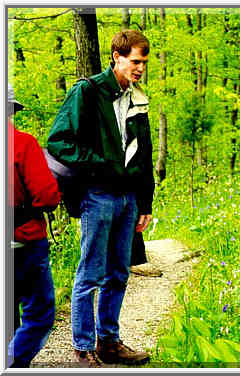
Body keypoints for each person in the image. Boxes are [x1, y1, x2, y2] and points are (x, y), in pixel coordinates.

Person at [47, 29, 155, 367]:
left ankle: (109, 343)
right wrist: (99, 166)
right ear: (117, 57)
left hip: (128, 200)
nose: (140, 68)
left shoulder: (138, 99)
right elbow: (58, 141)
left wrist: (145, 203)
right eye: (135, 61)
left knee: (119, 273)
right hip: (98, 196)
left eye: (144, 63)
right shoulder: (88, 91)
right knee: (90, 273)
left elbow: (144, 156)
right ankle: (82, 348)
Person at [7, 83, 61, 368]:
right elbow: (48, 195)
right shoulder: (23, 144)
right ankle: (12, 363)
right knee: (39, 313)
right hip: (24, 239)